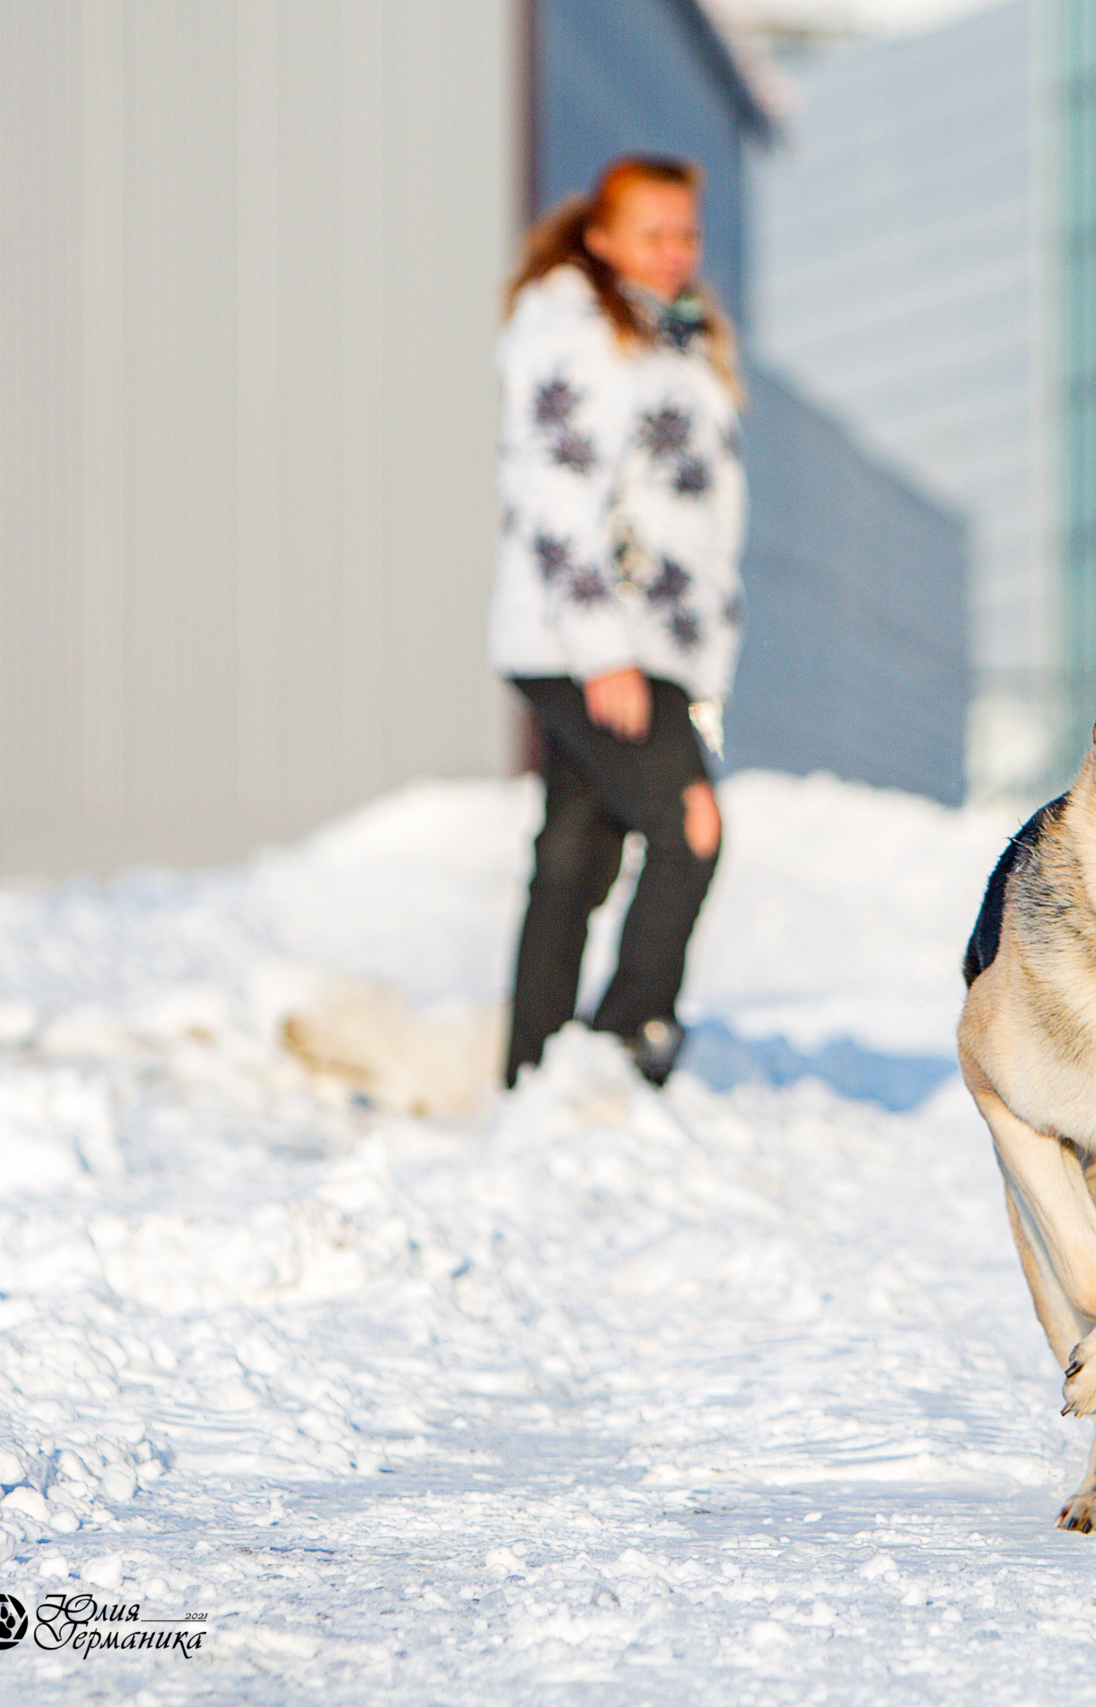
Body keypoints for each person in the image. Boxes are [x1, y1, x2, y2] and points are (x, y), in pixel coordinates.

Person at [491, 155, 746, 1088]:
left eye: (686, 233)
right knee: (690, 822)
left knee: (574, 853)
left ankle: (532, 1068)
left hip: (649, 645)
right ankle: (621, 1051)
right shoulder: (578, 338)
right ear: (601, 238)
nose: (675, 252)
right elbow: (553, 501)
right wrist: (602, 652)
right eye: (653, 234)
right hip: (589, 644)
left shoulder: (669, 336)